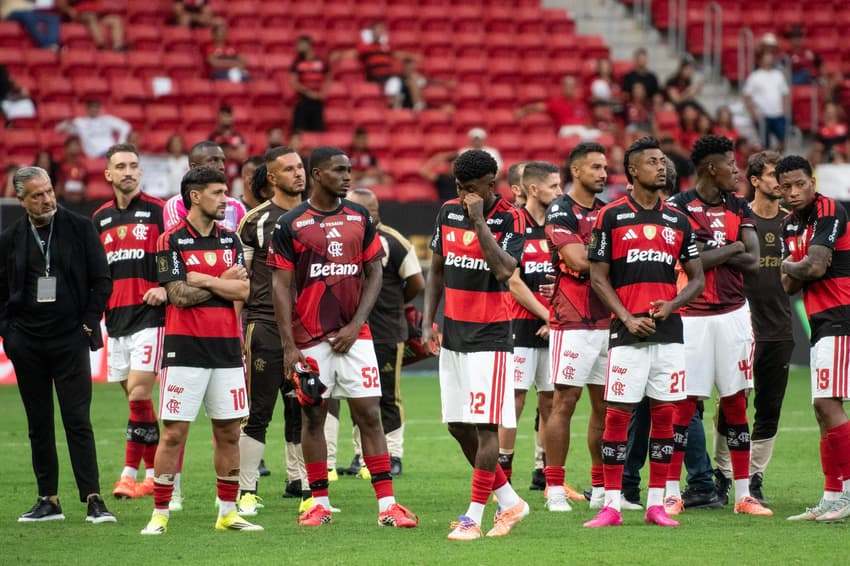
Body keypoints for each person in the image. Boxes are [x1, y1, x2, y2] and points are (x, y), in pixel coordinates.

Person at [268, 146, 418, 528]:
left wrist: (356, 325)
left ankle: (387, 505)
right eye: (339, 170)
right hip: (310, 336)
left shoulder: (359, 216)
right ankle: (318, 502)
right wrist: (288, 345)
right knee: (314, 415)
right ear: (316, 174)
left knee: (369, 414)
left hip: (357, 337)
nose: (348, 176)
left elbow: (376, 273)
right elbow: (281, 287)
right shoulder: (290, 223)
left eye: (349, 169)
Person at [583, 136, 705, 528]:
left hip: (670, 333)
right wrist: (627, 317)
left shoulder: (678, 219)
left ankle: (656, 504)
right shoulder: (612, 216)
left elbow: (697, 279)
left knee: (665, 417)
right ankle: (613, 505)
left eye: (663, 161)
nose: (662, 167)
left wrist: (672, 305)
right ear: (633, 171)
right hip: (627, 333)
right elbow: (598, 278)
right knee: (618, 417)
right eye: (653, 162)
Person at [141, 166, 260, 535]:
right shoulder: (169, 240)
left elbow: (244, 291)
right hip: (184, 351)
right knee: (174, 433)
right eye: (219, 192)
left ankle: (227, 512)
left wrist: (207, 280)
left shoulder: (230, 240)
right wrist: (222, 284)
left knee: (228, 433)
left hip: (226, 351)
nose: (227, 199)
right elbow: (177, 296)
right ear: (195, 196)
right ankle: (160, 513)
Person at [421, 149, 529, 540]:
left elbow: (503, 269)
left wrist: (480, 220)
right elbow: (436, 269)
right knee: (456, 425)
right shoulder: (448, 211)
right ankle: (511, 501)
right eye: (459, 186)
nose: (463, 194)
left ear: (491, 183)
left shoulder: (511, 217)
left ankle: (474, 516)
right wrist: (428, 319)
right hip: (454, 335)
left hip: (491, 337)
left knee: (486, 429)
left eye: (471, 188)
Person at [0, 166, 115, 523]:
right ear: (21, 199)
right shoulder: (10, 238)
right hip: (27, 343)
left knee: (77, 419)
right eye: (37, 194)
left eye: (49, 190)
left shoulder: (79, 227)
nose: (47, 198)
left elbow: (101, 280)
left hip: (70, 339)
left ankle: (93, 498)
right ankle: (48, 498)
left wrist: (87, 324)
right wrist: (10, 334)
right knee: (38, 422)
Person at [663, 135, 771, 516]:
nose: (737, 170)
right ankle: (672, 493)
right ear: (711, 167)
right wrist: (731, 248)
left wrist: (710, 252)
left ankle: (743, 495)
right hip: (690, 317)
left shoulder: (738, 205)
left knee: (736, 401)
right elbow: (689, 263)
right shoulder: (677, 207)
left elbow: (754, 259)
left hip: (732, 315)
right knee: (682, 404)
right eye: (731, 163)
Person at [620, 160, 719, 511]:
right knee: (658, 405)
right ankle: (639, 485)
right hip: (674, 316)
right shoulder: (675, 216)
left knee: (672, 406)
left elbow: (694, 271)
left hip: (676, 318)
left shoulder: (673, 219)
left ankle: (690, 483)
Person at [711, 151, 792, 506]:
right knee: (733, 400)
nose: (782, 184)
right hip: (739, 325)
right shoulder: (737, 220)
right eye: (776, 176)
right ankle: (723, 474)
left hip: (779, 327)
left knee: (770, 407)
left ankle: (755, 476)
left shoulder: (792, 224)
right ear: (755, 181)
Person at [235, 146, 308, 516]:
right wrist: (238, 329)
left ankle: (302, 483)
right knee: (259, 410)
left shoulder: (320, 216)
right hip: (264, 324)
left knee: (305, 407)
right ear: (272, 178)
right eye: (289, 169)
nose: (299, 173)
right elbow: (240, 280)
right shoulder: (255, 221)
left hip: (308, 328)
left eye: (300, 167)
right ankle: (247, 489)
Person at [91, 143, 166, 500]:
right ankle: (153, 475)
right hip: (116, 320)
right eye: (120, 166)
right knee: (139, 405)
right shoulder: (100, 218)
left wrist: (166, 289)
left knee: (139, 394)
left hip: (151, 318)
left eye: (134, 165)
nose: (128, 171)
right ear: (108, 174)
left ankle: (127, 475)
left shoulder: (159, 211)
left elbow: (176, 253)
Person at [778, 155, 850, 522]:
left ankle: (849, 491)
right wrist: (796, 267)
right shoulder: (791, 225)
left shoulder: (829, 210)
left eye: (800, 184)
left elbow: (814, 266)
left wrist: (791, 264)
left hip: (842, 314)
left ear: (812, 181)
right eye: (786, 186)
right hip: (821, 318)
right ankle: (832, 495)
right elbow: (790, 284)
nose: (793, 192)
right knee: (822, 412)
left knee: (827, 404)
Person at [543, 144, 610, 511]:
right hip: (573, 320)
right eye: (595, 167)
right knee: (564, 402)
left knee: (605, 406)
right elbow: (578, 261)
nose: (602, 173)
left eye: (605, 167)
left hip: (608, 318)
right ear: (576, 170)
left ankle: (599, 487)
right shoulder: (561, 209)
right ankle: (554, 487)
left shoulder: (608, 212)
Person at [346, 187, 425, 477]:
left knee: (388, 395)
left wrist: (393, 305)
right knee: (359, 396)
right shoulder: (344, 237)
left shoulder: (394, 240)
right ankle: (361, 455)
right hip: (354, 332)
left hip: (388, 331)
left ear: (370, 211)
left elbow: (417, 283)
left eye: (352, 207)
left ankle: (394, 454)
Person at [496, 161, 560, 494]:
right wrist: (548, 316)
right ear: (531, 189)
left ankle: (546, 475)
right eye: (554, 187)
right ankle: (504, 477)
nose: (560, 193)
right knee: (515, 400)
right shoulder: (513, 222)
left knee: (551, 401)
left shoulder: (557, 224)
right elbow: (514, 281)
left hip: (556, 325)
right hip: (520, 324)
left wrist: (557, 315)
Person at [163, 141, 246, 232]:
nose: (221, 166)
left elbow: (241, 244)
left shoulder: (236, 206)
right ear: (193, 167)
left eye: (223, 161)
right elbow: (179, 242)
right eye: (213, 160)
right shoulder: (176, 205)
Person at [514, 76, 594, 138]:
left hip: (581, 129)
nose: (570, 89)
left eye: (572, 87)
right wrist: (523, 111)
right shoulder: (557, 102)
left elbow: (586, 121)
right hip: (566, 129)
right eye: (568, 86)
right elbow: (538, 107)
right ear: (563, 88)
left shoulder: (581, 103)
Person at [743, 49, 789, 151]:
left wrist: (784, 110)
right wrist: (753, 113)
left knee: (782, 142)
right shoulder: (755, 76)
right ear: (760, 60)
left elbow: (784, 93)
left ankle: (778, 161)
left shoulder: (778, 74)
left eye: (770, 56)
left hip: (778, 114)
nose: (769, 59)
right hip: (763, 115)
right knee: (765, 144)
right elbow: (746, 95)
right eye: (766, 56)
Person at [57, 99, 131, 159]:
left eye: (96, 107)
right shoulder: (80, 122)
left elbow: (126, 126)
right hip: (95, 155)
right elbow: (59, 129)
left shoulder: (107, 119)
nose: (94, 110)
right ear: (87, 109)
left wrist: (121, 143)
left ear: (99, 109)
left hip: (112, 152)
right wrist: (66, 123)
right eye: (92, 107)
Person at [290, 35, 331, 132]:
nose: (297, 47)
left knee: (318, 133)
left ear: (307, 45)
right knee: (299, 131)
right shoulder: (297, 63)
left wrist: (323, 93)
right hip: (303, 101)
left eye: (300, 44)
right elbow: (293, 81)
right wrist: (308, 92)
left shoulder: (321, 62)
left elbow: (329, 78)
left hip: (317, 102)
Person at [55, 1, 126, 51]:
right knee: (91, 18)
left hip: (97, 15)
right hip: (82, 15)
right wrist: (69, 10)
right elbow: (60, 4)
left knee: (116, 20)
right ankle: (101, 45)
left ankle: (118, 46)